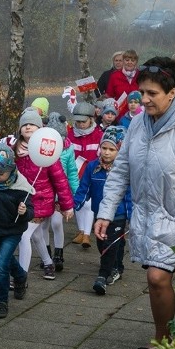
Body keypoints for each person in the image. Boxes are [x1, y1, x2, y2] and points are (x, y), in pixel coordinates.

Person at [93, 56, 175, 349]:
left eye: (151, 94)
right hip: (146, 218)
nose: (143, 100)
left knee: (157, 278)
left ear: (172, 93)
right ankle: (162, 335)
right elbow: (120, 170)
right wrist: (105, 212)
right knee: (156, 283)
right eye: (141, 92)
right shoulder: (137, 124)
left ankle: (166, 343)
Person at [14, 107, 75, 281]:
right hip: (20, 202)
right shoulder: (15, 150)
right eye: (25, 124)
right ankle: (48, 263)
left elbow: (60, 180)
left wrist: (67, 205)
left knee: (24, 235)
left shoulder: (47, 152)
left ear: (40, 128)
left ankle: (21, 276)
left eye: (33, 124)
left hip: (40, 202)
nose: (28, 127)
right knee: (37, 235)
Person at [74, 126, 131, 295]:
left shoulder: (125, 170)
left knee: (110, 243)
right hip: (99, 214)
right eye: (104, 148)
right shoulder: (92, 167)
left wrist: (132, 214)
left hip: (119, 214)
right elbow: (84, 188)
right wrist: (73, 205)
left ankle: (102, 275)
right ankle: (116, 265)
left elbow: (130, 194)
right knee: (103, 243)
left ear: (120, 150)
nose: (106, 152)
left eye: (112, 149)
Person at [0, 142, 35, 318]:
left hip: (12, 230)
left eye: (0, 173)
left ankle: (1, 301)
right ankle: (20, 276)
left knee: (0, 265)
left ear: (11, 171)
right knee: (8, 261)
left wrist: (24, 211)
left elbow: (31, 209)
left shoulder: (21, 188)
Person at [41, 112, 78, 272]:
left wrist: (76, 193)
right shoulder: (41, 148)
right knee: (43, 225)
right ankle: (46, 254)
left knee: (57, 223)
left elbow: (71, 172)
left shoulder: (68, 149)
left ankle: (59, 252)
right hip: (44, 191)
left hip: (59, 192)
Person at [66, 101, 104, 247]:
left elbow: (102, 154)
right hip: (75, 174)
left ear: (91, 119)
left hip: (92, 173)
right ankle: (81, 231)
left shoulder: (98, 135)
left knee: (88, 204)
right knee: (78, 203)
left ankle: (87, 234)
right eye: (78, 121)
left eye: (84, 121)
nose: (80, 124)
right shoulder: (70, 135)